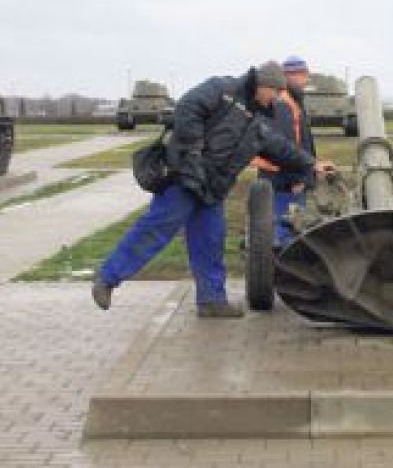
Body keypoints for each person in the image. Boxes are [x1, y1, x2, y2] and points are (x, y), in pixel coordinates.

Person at [91, 61, 332, 317]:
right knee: (156, 228)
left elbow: (281, 148)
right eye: (274, 92)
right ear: (263, 86)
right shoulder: (223, 90)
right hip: (184, 178)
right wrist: (192, 151)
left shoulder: (257, 122)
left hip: (212, 188)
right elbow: (187, 107)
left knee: (210, 241)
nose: (275, 99)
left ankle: (211, 300)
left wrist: (312, 164)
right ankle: (107, 279)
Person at [252, 56, 322, 246]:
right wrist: (298, 178)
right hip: (284, 181)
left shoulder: (291, 101)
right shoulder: (283, 104)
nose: (306, 80)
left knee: (286, 230)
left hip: (282, 178)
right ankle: (280, 272)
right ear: (289, 76)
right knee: (287, 233)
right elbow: (283, 146)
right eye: (302, 75)